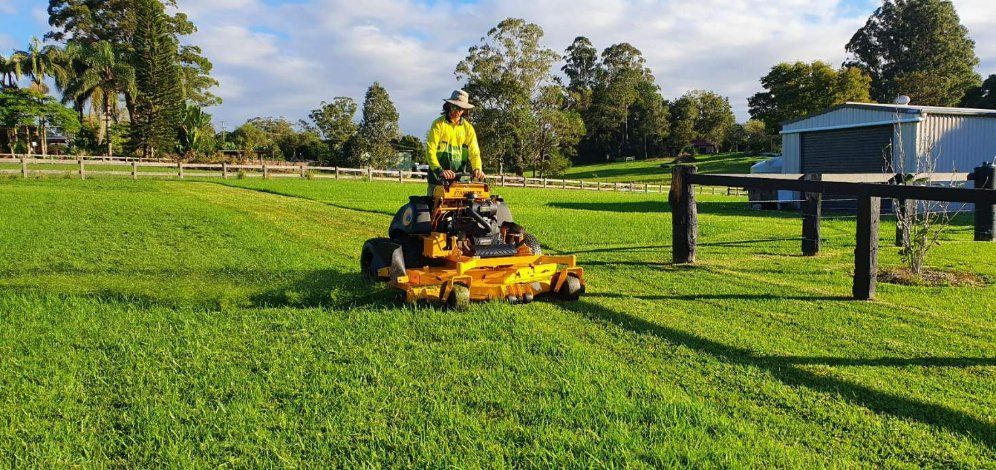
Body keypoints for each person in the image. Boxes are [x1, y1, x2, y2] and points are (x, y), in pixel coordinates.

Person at [425, 90, 485, 196]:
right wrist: (439, 170)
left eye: (461, 108)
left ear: (464, 110)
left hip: (459, 176)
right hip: (438, 176)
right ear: (448, 105)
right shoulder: (438, 124)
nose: (457, 111)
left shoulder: (468, 128)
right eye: (455, 107)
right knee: (432, 207)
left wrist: (477, 168)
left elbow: (474, 152)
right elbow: (430, 150)